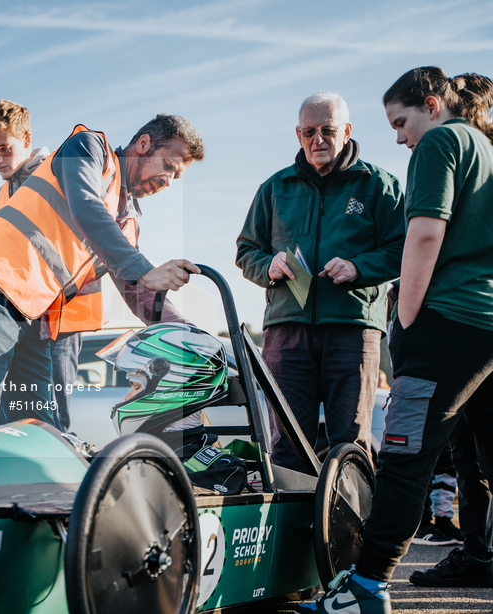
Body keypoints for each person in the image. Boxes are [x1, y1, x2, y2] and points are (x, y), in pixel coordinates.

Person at [296, 67, 493, 613]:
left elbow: (425, 231)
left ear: (432, 104)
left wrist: (405, 318)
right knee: (482, 461)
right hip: (485, 326)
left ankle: (364, 588)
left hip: (443, 326)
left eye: (402, 123)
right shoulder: (486, 146)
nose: (400, 137)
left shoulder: (442, 142)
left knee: (404, 457)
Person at [0, 114, 203, 442]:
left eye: (177, 177)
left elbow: (137, 291)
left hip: (31, 309)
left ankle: (33, 494)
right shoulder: (90, 147)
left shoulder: (126, 220)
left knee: (38, 425)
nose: (168, 182)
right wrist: (146, 270)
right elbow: (86, 206)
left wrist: (191, 334)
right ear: (144, 144)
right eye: (168, 167)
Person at [236, 92, 406, 471]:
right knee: (287, 443)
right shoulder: (274, 188)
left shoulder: (380, 185)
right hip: (286, 332)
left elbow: (405, 249)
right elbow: (247, 250)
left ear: (346, 130)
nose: (318, 140)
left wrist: (359, 268)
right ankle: (293, 530)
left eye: (327, 130)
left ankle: (349, 530)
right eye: (309, 131)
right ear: (298, 134)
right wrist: (269, 265)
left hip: (353, 330)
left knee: (351, 441)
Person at [96, 322, 247, 495]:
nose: (127, 397)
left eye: (136, 387)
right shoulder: (127, 451)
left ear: (171, 388)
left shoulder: (222, 469)